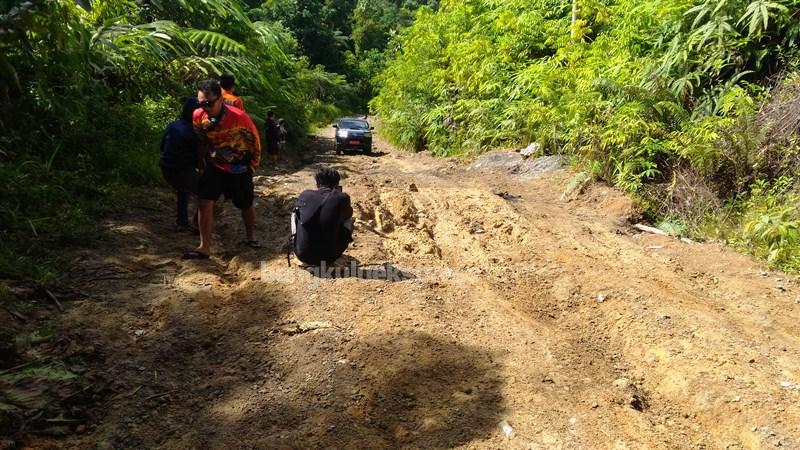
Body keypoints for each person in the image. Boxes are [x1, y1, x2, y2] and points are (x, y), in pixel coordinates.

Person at [183, 79, 261, 259]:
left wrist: (252, 167)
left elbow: (254, 142)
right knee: (205, 201)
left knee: (245, 204)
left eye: (209, 103)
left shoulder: (239, 117)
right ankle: (204, 247)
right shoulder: (198, 116)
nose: (205, 107)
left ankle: (251, 237)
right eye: (201, 103)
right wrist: (202, 165)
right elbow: (201, 140)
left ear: (220, 99)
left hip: (239, 168)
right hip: (215, 165)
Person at [291, 168, 353, 266]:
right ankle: (335, 249)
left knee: (295, 213)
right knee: (349, 219)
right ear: (337, 184)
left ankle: (295, 240)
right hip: (330, 257)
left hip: (302, 254)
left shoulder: (305, 194)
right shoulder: (342, 197)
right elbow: (347, 215)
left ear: (317, 184)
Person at [159, 97, 201, 231]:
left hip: (165, 168)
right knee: (207, 193)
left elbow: (162, 146)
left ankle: (182, 222)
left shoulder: (173, 125)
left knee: (184, 189)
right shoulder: (195, 132)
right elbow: (199, 157)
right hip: (182, 170)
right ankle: (198, 223)